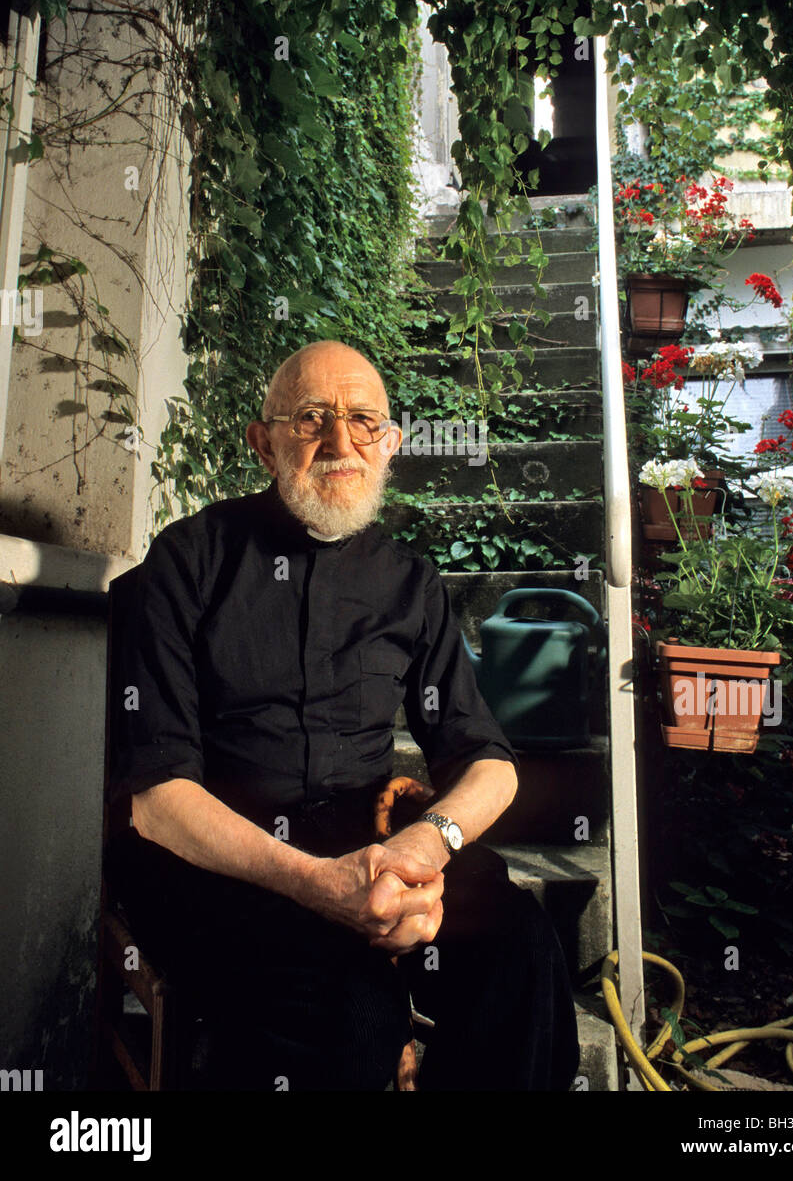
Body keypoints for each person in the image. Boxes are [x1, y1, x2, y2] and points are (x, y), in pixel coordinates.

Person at [105, 339, 580, 1091]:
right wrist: (323, 886)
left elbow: (485, 758)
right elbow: (158, 801)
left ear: (389, 445)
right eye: (310, 419)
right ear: (263, 443)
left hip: (374, 843)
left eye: (364, 421)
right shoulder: (187, 561)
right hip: (221, 862)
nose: (340, 443)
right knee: (344, 1013)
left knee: (518, 947)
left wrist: (429, 842)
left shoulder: (410, 584)